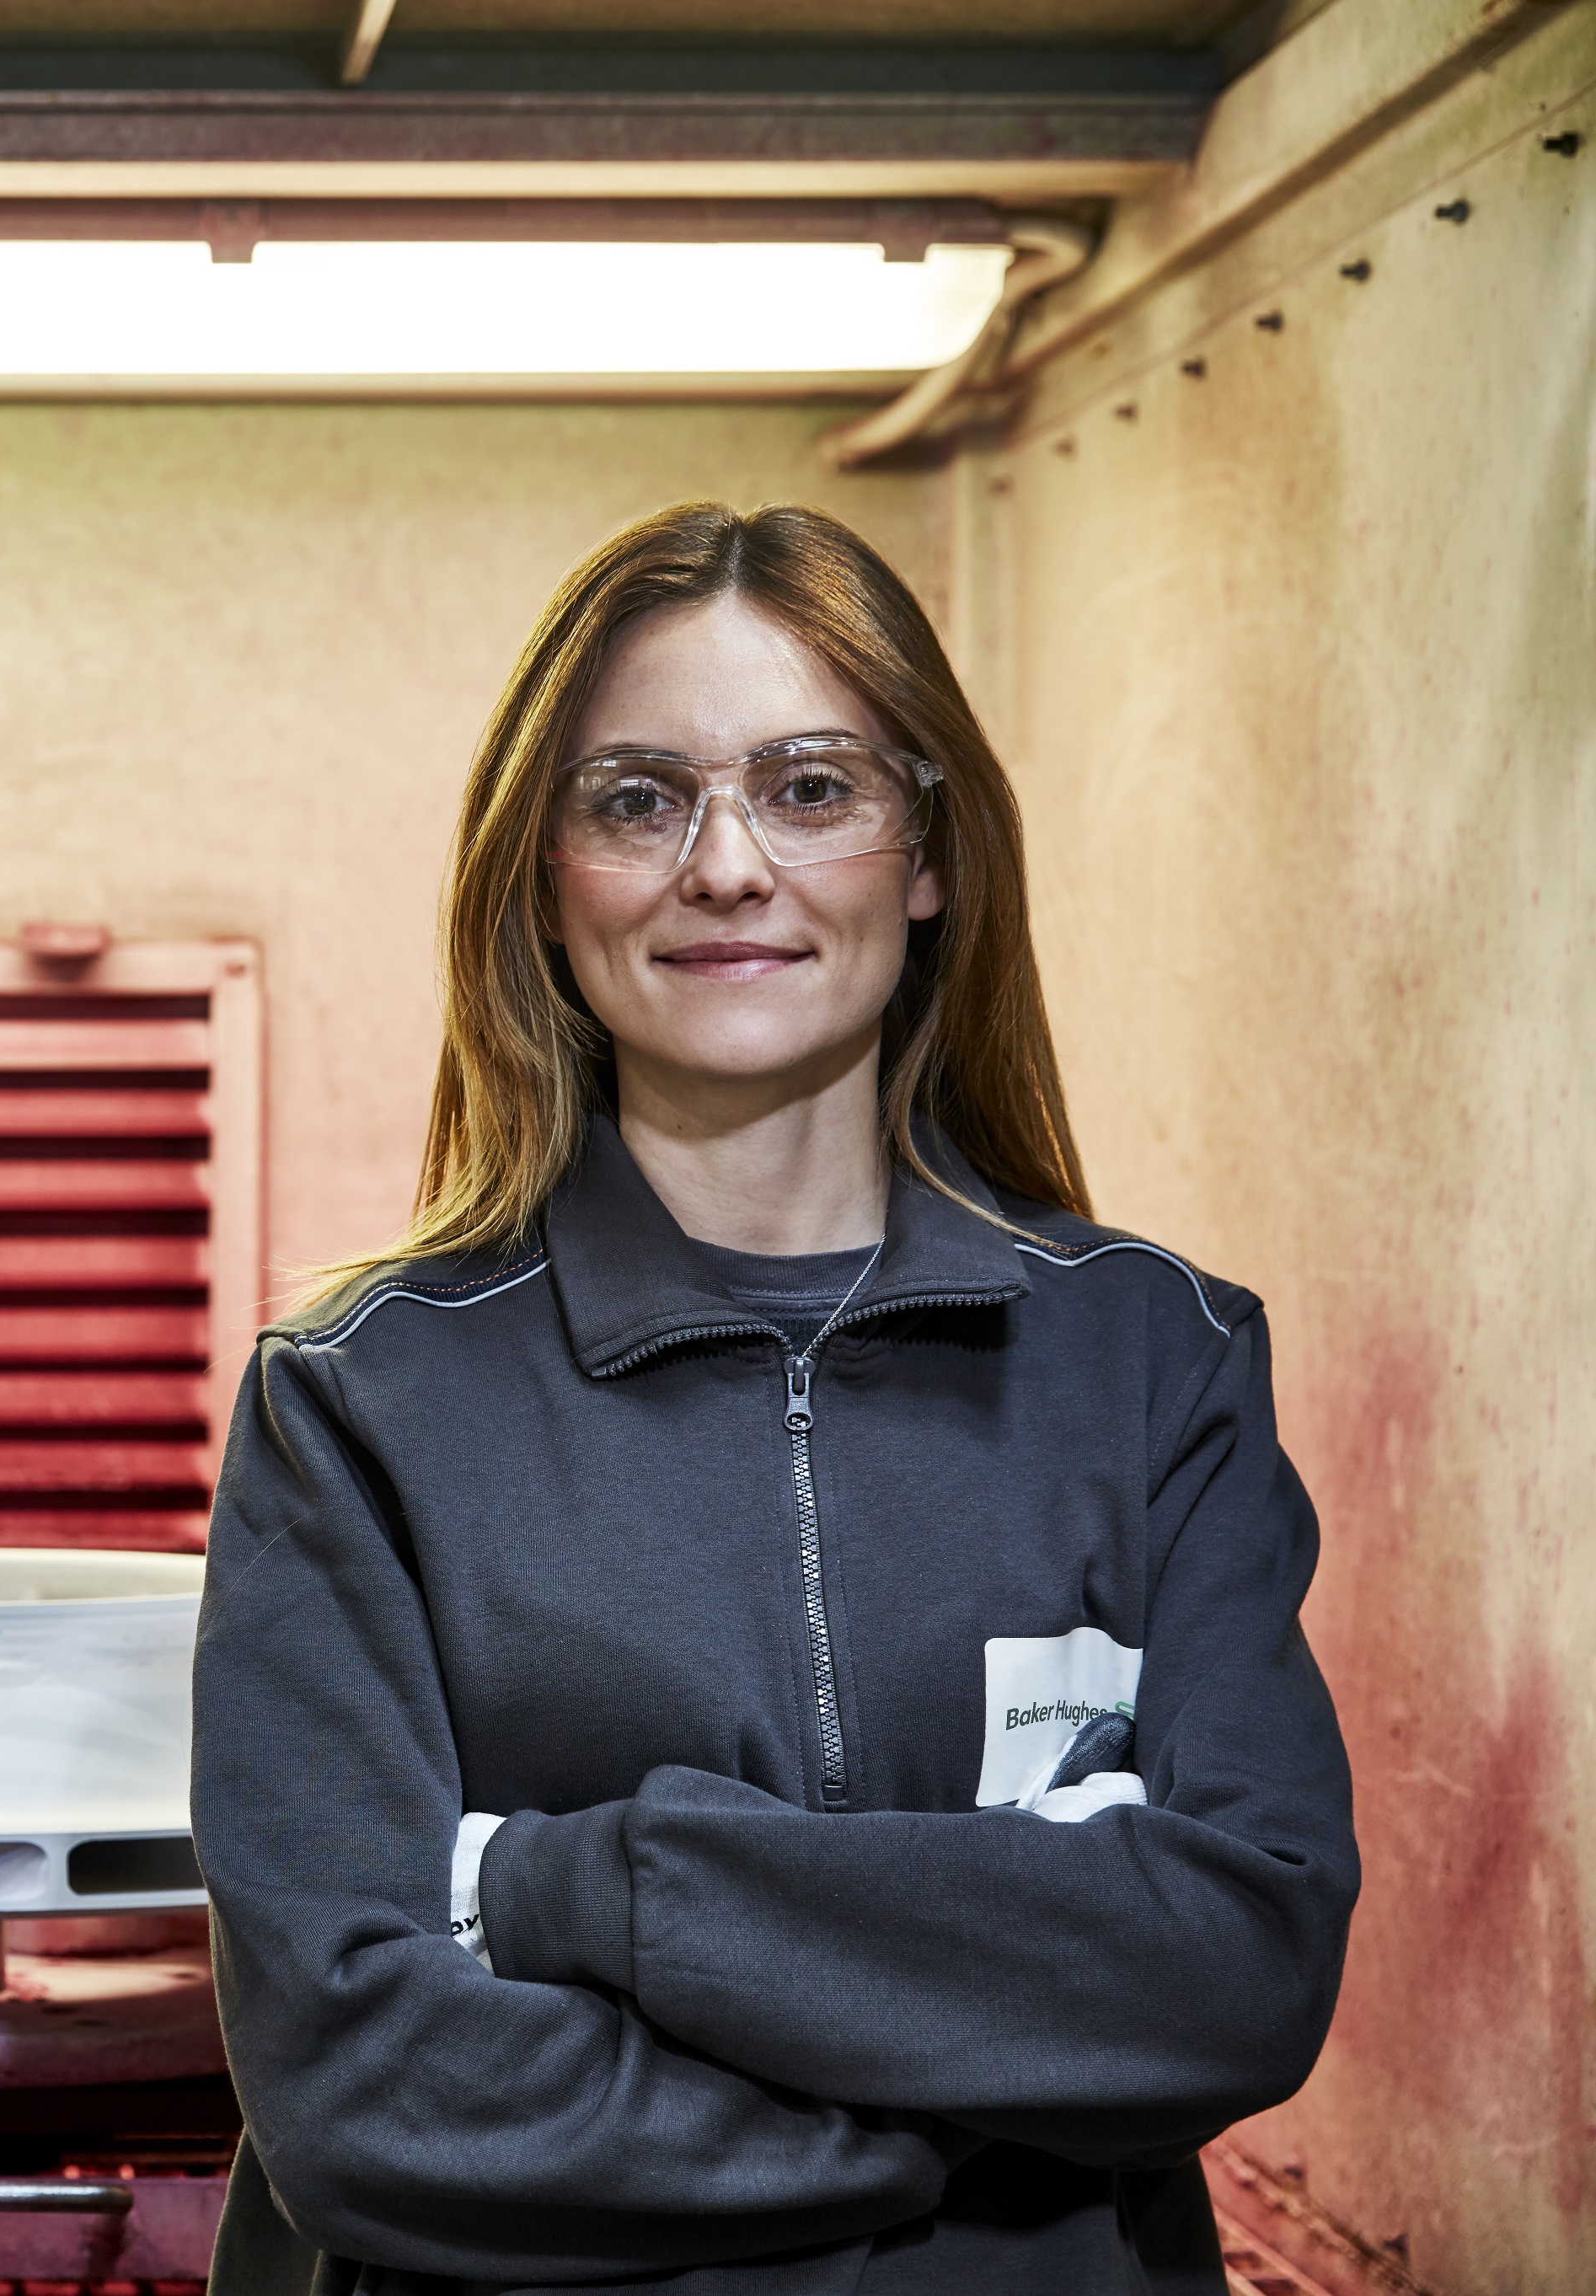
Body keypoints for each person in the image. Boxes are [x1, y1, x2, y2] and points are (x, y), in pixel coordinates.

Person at [193, 502, 1359, 2295]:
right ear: (541, 873)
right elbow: (366, 2088)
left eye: (808, 787)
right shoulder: (357, 1405)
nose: (722, 866)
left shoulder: (1150, 1361)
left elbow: (1237, 1966)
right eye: (634, 799)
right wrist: (985, 2118)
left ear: (925, 855)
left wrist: (568, 1892)